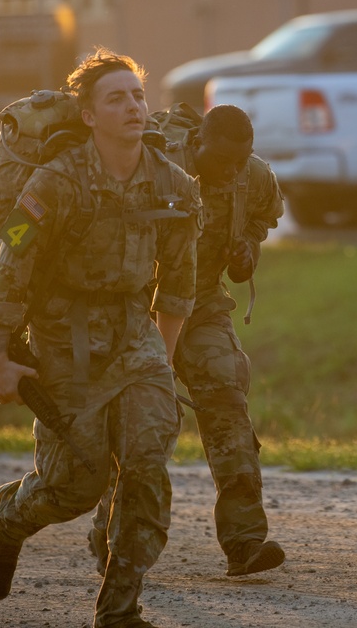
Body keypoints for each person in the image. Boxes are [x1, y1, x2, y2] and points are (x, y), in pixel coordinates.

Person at [0, 49, 202, 628]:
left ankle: (119, 609)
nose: (133, 107)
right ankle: (8, 518)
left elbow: (177, 287)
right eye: (116, 98)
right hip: (62, 337)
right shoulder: (51, 183)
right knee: (75, 486)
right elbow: (11, 266)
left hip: (135, 336)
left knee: (148, 462)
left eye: (137, 95)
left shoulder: (174, 184)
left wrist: (162, 364)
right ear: (88, 116)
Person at [88, 103, 287, 578]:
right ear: (198, 144)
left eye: (242, 160)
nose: (232, 171)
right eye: (223, 160)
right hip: (136, 312)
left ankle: (244, 542)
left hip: (198, 306)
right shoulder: (157, 168)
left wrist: (246, 255)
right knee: (144, 425)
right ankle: (112, 540)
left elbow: (259, 224)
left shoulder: (252, 178)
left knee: (227, 399)